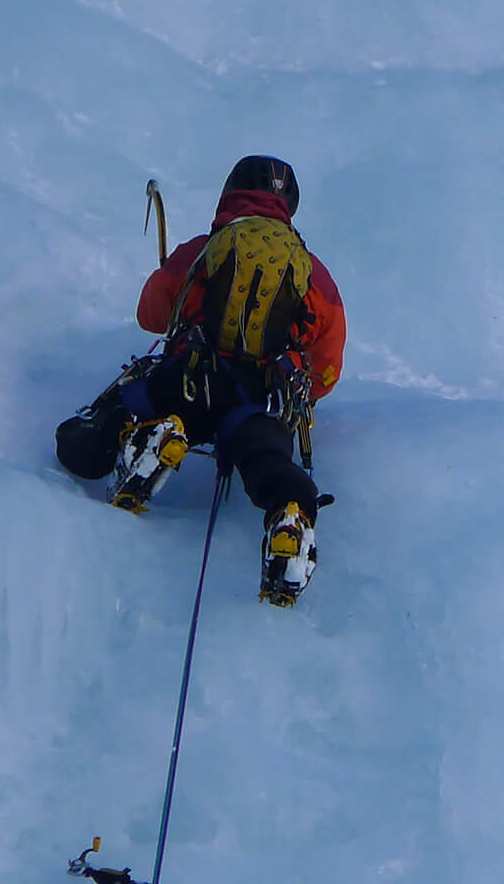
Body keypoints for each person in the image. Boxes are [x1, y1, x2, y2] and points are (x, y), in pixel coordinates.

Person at [56, 155, 346, 603]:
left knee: (135, 409)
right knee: (265, 456)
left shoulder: (203, 249)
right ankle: (289, 511)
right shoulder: (314, 275)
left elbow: (150, 315)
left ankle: (161, 434)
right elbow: (326, 369)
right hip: (260, 400)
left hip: (190, 380)